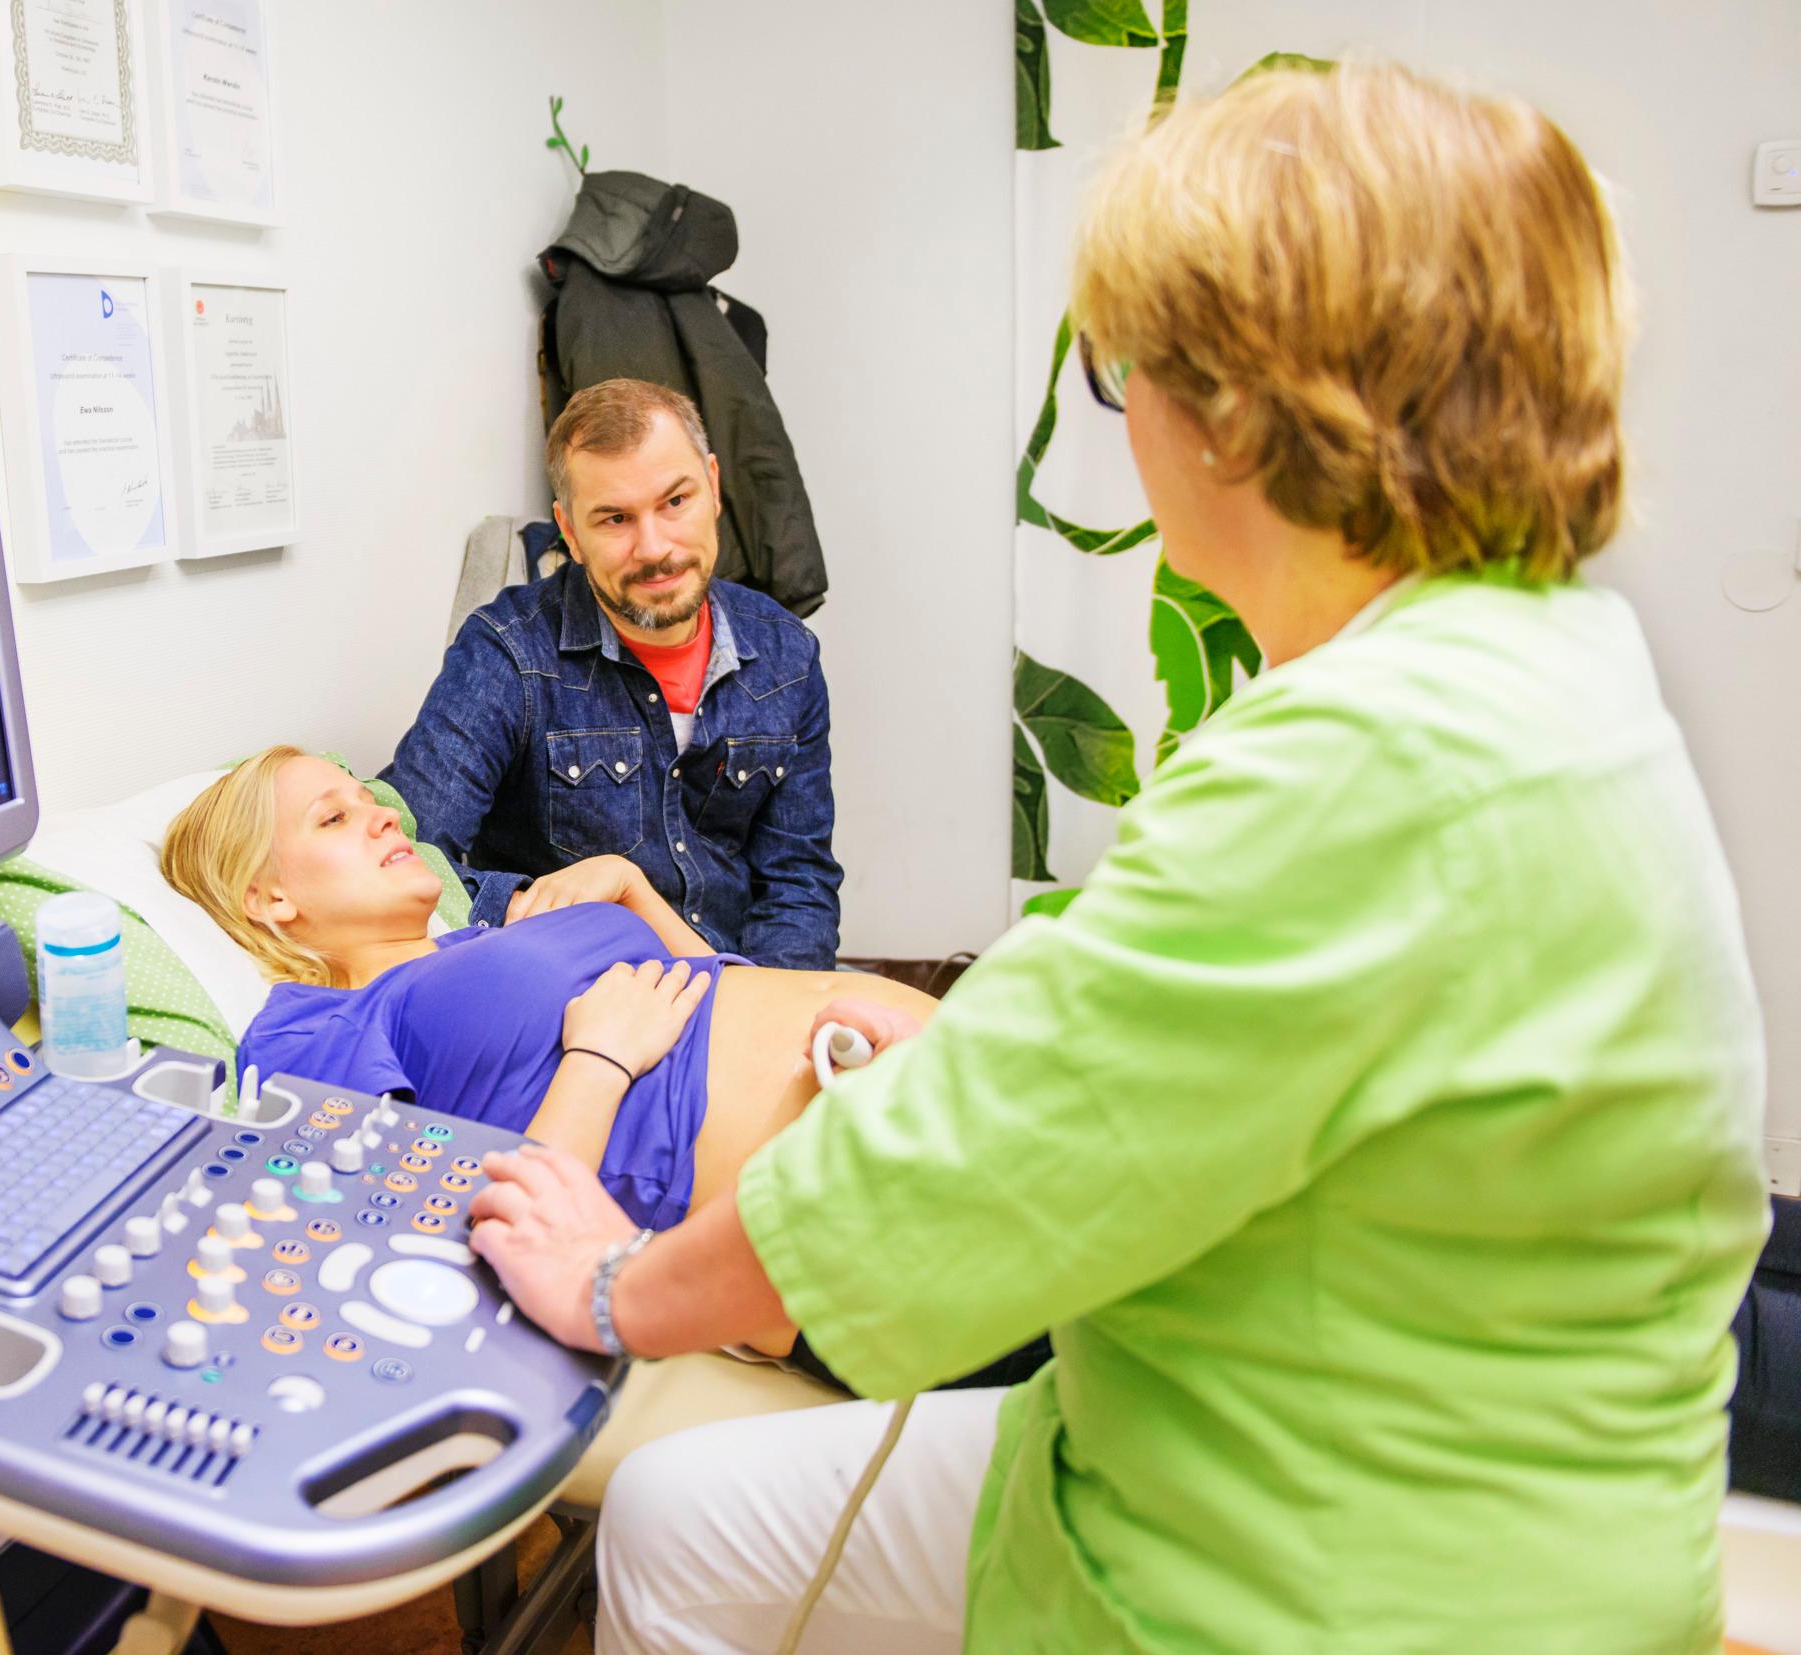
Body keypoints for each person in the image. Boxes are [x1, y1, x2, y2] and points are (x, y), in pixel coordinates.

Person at [464, 62, 1771, 1655]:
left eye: (1118, 374)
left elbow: (930, 1183)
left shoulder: (1365, 760)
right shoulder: (1542, 656)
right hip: (1426, 1438)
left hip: (1334, 1565)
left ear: (1238, 408)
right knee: (675, 1516)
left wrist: (613, 1287)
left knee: (683, 1527)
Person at [159, 745, 929, 1342]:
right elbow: (415, 1238)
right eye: (333, 818)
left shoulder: (484, 935)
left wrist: (633, 884)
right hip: (847, 1210)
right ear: (270, 897)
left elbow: (699, 986)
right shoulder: (311, 1026)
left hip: (917, 1078)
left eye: (372, 802)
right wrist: (600, 1062)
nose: (387, 817)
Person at [383, 378, 842, 969]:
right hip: (581, 998)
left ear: (714, 487)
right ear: (570, 531)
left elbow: (797, 882)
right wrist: (537, 907)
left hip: (742, 984)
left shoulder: (787, 655)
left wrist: (778, 1008)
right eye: (615, 519)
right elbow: (413, 862)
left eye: (676, 502)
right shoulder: (508, 655)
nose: (655, 548)